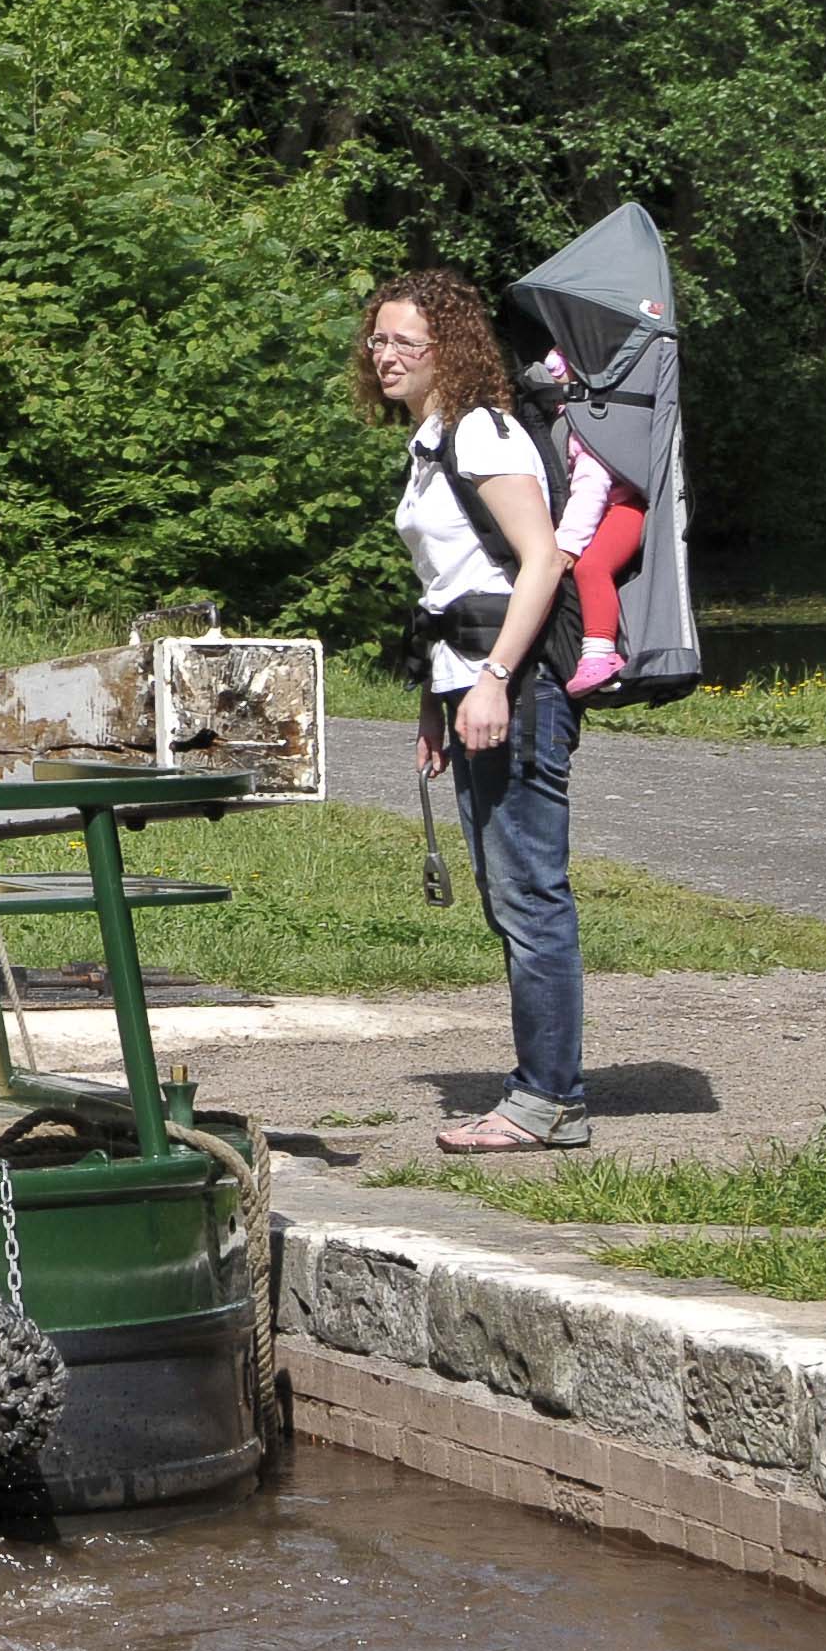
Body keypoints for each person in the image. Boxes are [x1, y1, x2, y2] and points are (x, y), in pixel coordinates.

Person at [357, 268, 590, 1152]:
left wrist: (491, 677)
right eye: (377, 339)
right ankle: (545, 1090)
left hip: (517, 689)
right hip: (473, 683)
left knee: (530, 893)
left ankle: (548, 1100)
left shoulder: (483, 432)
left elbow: (539, 562)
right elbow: (452, 589)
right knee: (509, 893)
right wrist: (436, 697)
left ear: (447, 349)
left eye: (403, 342)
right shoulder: (433, 441)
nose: (384, 355)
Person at [534, 346, 651, 697]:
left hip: (626, 507)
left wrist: (568, 544)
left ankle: (600, 655)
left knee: (591, 568)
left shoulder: (588, 431)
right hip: (611, 508)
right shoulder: (570, 422)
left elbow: (591, 491)